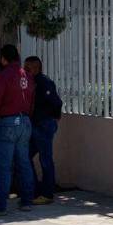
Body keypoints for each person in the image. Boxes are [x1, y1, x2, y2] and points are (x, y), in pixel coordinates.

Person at [0, 44, 36, 216]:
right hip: (25, 122)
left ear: (3, 59)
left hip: (7, 123)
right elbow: (32, 102)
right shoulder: (27, 76)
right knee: (24, 163)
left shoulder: (3, 77)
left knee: (2, 167)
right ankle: (27, 201)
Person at [24, 56, 62, 205]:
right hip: (34, 125)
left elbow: (56, 102)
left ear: (36, 68)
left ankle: (47, 193)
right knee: (25, 156)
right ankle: (35, 190)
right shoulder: (28, 82)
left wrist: (54, 118)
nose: (25, 70)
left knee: (45, 159)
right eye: (25, 67)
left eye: (28, 68)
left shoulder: (44, 82)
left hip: (43, 125)